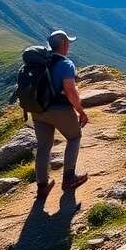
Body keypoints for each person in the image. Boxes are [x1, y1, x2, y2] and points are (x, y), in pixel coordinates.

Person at [32, 29, 90, 200]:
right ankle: (69, 178)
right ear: (64, 44)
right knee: (74, 137)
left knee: (43, 146)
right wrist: (81, 111)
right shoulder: (65, 64)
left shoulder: (40, 62)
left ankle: (42, 187)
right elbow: (70, 91)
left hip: (37, 109)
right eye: (68, 43)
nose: (69, 46)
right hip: (59, 109)